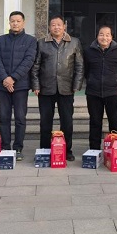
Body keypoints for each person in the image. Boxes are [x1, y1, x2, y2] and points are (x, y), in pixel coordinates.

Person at [31, 15, 84, 161]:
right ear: (49, 27)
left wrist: (76, 85)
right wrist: (35, 85)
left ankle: (67, 150)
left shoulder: (74, 42)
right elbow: (35, 66)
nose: (56, 27)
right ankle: (45, 150)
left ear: (64, 26)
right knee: (45, 122)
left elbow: (79, 65)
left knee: (67, 122)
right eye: (53, 25)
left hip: (66, 88)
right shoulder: (41, 43)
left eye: (59, 24)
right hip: (45, 88)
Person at [0, 11, 37, 161]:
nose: (15, 23)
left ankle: (18, 148)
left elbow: (28, 61)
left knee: (20, 118)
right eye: (13, 21)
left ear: (23, 22)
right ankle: (6, 147)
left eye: (18, 21)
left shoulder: (31, 40)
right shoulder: (1, 40)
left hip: (21, 86)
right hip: (3, 86)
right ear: (9, 22)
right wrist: (5, 79)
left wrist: (13, 78)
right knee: (4, 117)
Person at [83, 25, 117, 150]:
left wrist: (114, 80)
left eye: (108, 35)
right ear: (97, 36)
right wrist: (92, 80)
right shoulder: (88, 51)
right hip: (93, 92)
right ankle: (94, 149)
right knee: (95, 122)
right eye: (101, 34)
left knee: (115, 121)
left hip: (112, 92)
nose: (104, 37)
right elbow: (86, 70)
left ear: (112, 37)